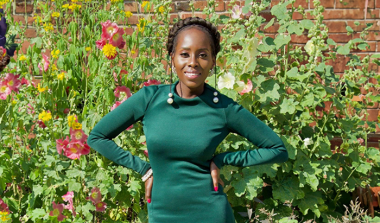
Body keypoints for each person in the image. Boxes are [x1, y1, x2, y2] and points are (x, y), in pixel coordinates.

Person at [87, 17, 288, 223]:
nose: (193, 62)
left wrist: (222, 160)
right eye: (184, 54)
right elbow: (97, 137)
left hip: (210, 213)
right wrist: (144, 169)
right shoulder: (149, 99)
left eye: (202, 55)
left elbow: (277, 149)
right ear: (172, 58)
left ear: (212, 61)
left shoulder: (224, 108)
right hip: (163, 213)